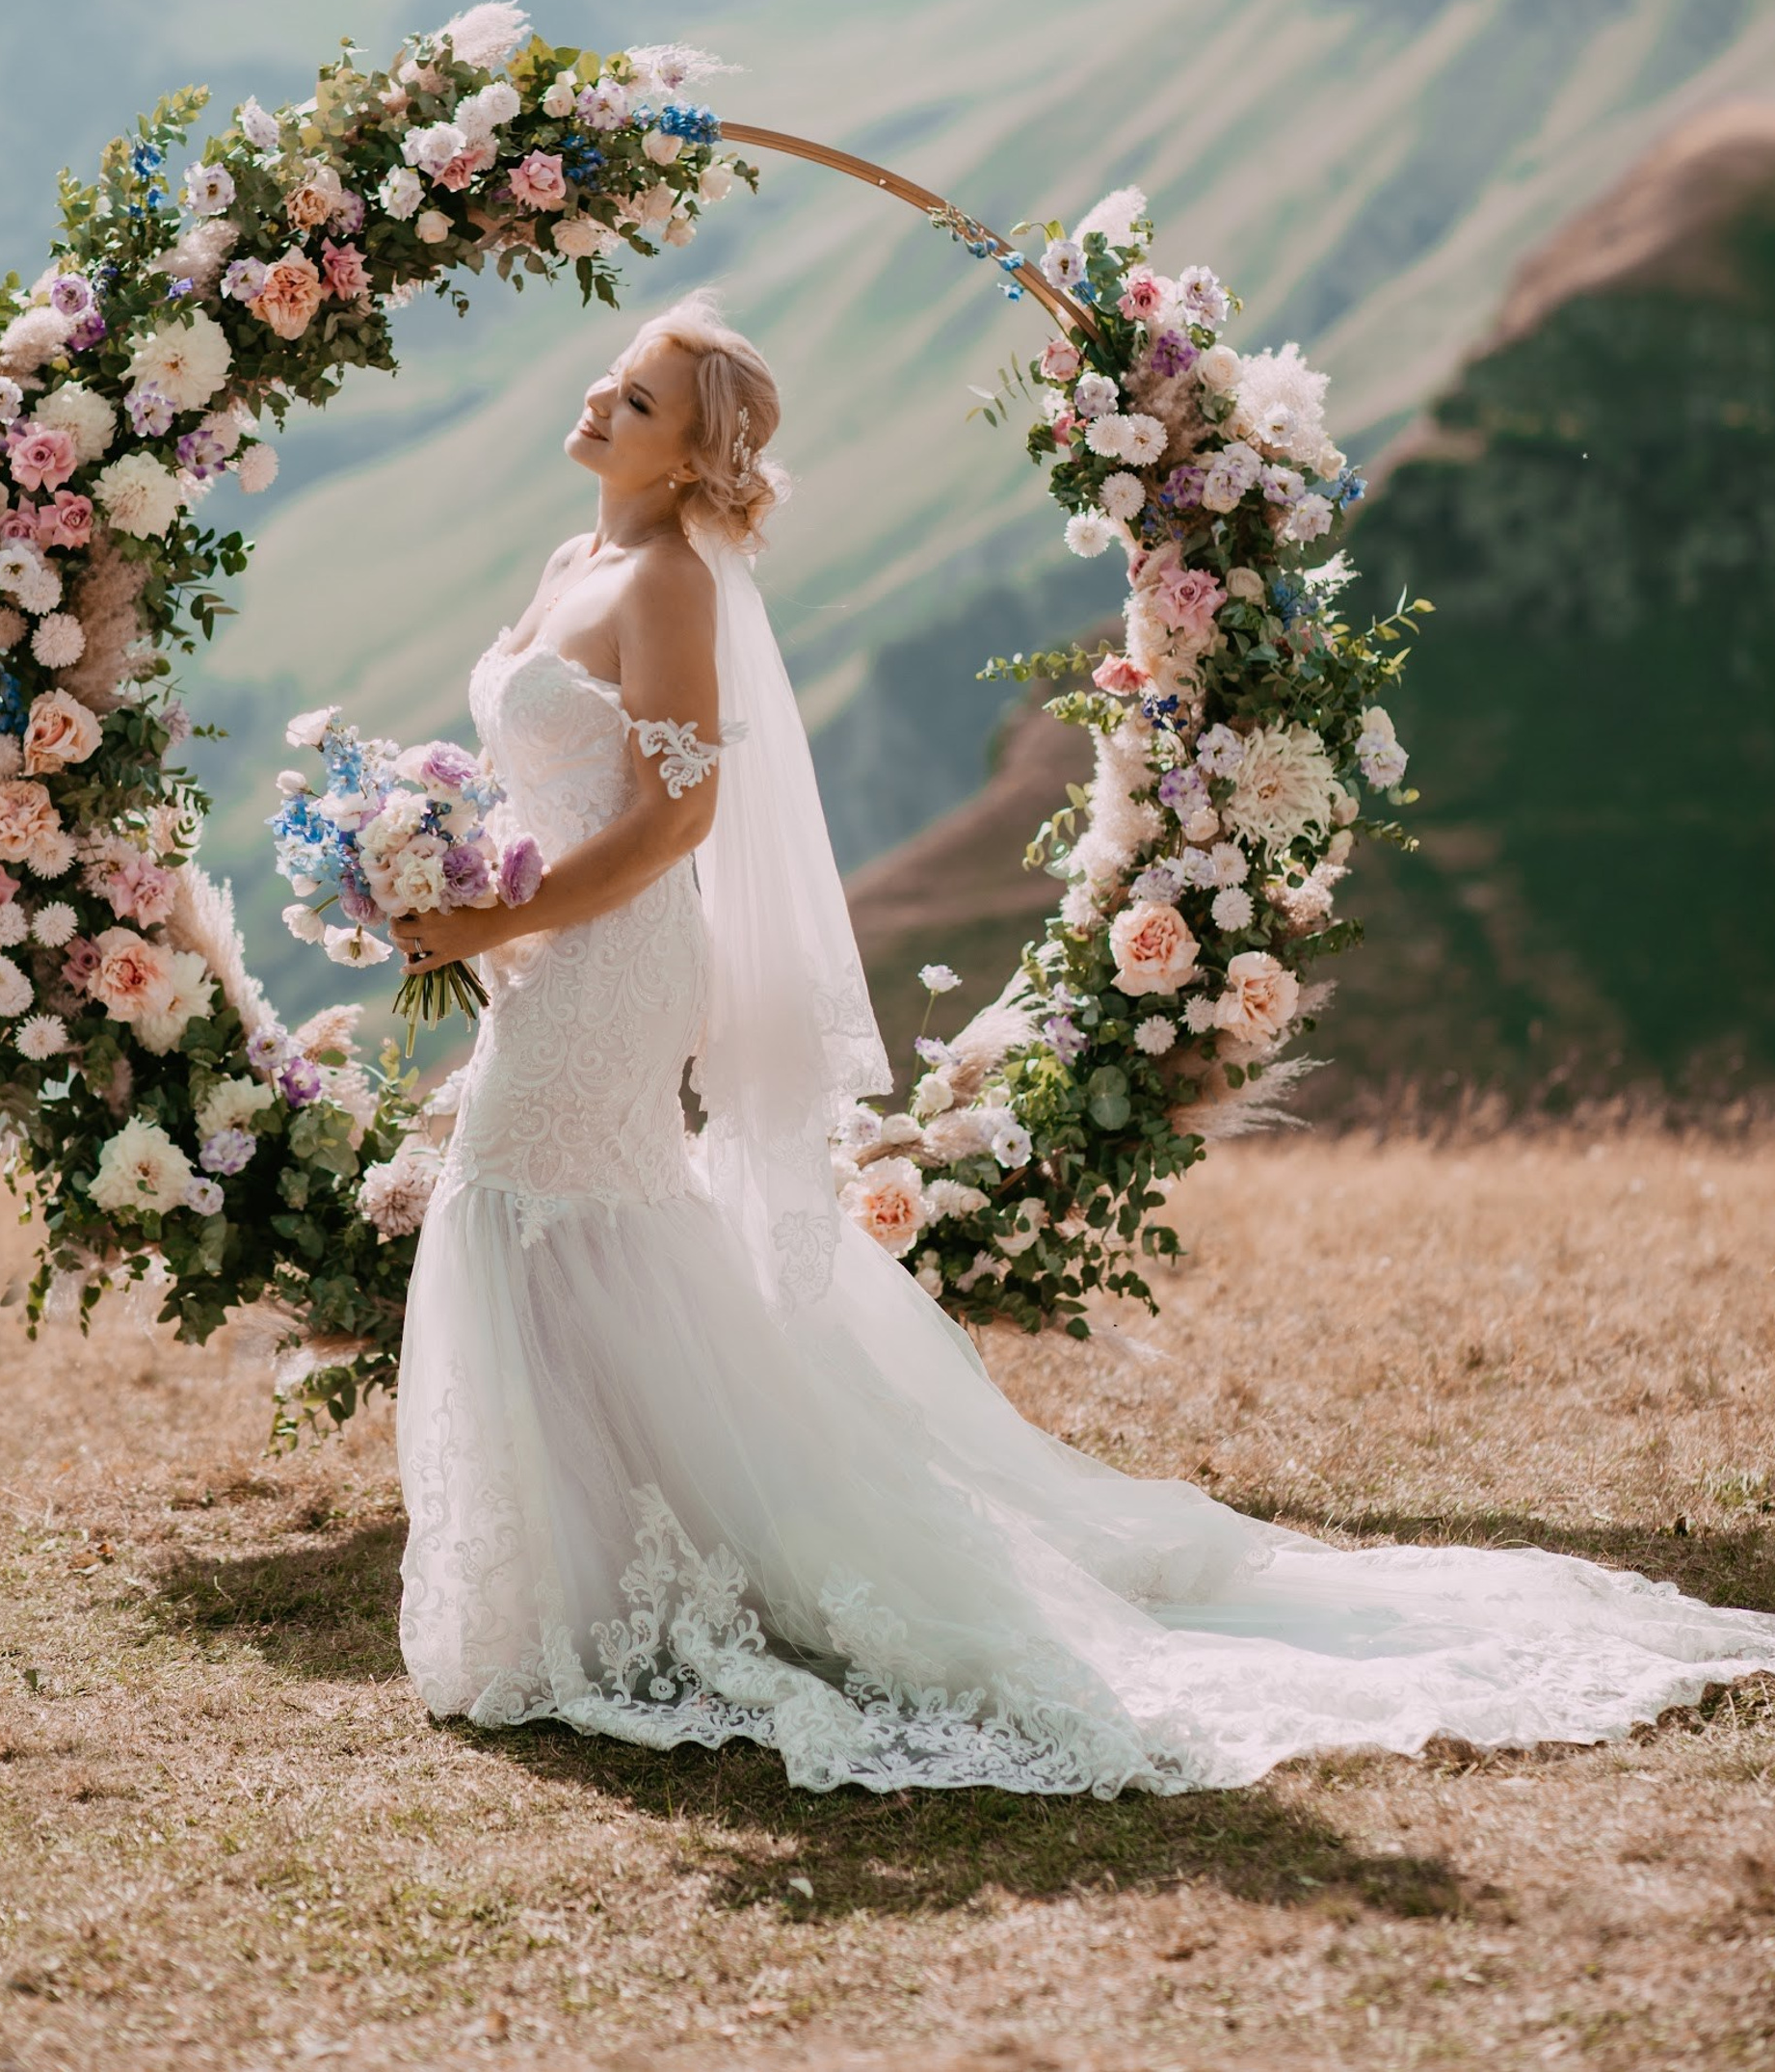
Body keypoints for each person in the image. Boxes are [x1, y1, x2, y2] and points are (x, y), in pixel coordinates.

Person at [390, 294, 1774, 1795]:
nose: (602, 406)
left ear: (685, 463)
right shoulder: (568, 560)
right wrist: (449, 874)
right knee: (561, 1224)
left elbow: (679, 820)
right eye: (612, 382)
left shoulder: (663, 582)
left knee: (529, 1208)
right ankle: (594, 1572)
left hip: (617, 959)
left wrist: (481, 927)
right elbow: (549, 781)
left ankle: (606, 1588)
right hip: (544, 949)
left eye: (640, 404)